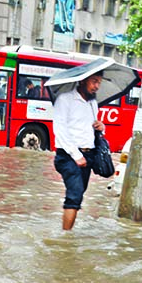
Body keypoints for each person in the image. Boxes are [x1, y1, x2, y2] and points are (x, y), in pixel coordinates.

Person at [53, 72, 104, 230]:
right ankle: (65, 240)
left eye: (99, 83)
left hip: (88, 155)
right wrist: (76, 156)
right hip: (68, 155)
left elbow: (92, 130)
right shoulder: (65, 99)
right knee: (74, 195)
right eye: (94, 81)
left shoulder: (92, 103)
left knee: (79, 194)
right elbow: (60, 129)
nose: (96, 86)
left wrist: (101, 127)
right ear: (82, 80)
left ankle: (68, 231)